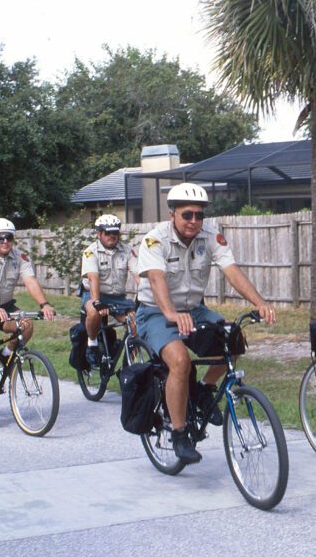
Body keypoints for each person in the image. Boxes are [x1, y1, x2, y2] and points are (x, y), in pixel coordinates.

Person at [135, 183, 275, 464]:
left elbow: (232, 272)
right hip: (155, 312)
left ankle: (204, 390)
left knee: (235, 338)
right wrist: (172, 315)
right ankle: (179, 433)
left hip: (195, 310)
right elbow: (156, 279)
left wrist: (259, 302)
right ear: (172, 213)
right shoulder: (154, 240)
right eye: (188, 215)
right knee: (180, 361)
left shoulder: (210, 236)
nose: (194, 221)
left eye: (199, 215)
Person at [0, 218, 57, 419]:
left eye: (9, 237)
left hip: (4, 306)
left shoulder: (19, 257)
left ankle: (6, 354)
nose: (5, 241)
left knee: (26, 326)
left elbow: (30, 281)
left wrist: (44, 304)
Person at [80, 214, 138, 366]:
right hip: (94, 294)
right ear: (99, 234)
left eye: (115, 232)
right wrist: (97, 301)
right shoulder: (90, 252)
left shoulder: (127, 251)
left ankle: (128, 368)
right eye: (108, 233)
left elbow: (139, 276)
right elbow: (93, 278)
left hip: (118, 297)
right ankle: (91, 345)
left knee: (135, 324)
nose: (112, 236)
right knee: (93, 311)